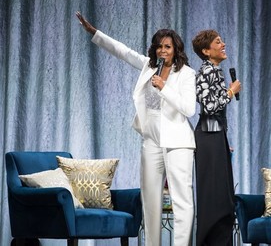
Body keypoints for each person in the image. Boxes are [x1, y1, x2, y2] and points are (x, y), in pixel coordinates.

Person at [76, 12, 196, 246]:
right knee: (150, 202)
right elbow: (123, 51)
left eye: (168, 47)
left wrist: (164, 87)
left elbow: (188, 109)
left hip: (178, 144)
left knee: (182, 202)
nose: (163, 50)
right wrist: (94, 33)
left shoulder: (187, 74)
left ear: (176, 49)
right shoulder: (148, 67)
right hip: (150, 142)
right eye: (159, 46)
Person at [192, 30, 241, 246]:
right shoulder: (207, 71)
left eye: (222, 40)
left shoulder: (215, 70)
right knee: (215, 198)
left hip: (215, 137)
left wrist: (223, 142)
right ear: (206, 51)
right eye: (218, 42)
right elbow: (209, 105)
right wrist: (230, 92)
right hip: (208, 138)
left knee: (222, 197)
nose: (223, 44)